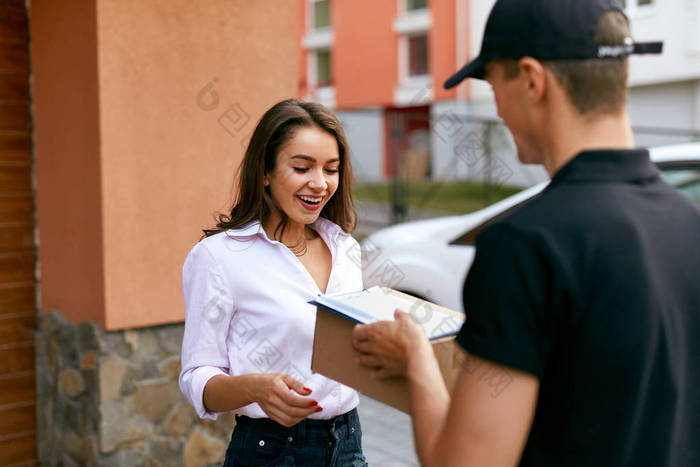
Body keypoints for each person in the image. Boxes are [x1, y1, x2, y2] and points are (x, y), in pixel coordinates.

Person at [353, 1, 700, 466]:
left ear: (532, 80)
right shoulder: (687, 219)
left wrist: (418, 360)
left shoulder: (523, 245)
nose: (496, 106)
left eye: (493, 83)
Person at [179, 99, 368, 466]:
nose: (320, 183)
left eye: (331, 169)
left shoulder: (345, 248)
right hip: (273, 451)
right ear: (264, 172)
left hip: (347, 444)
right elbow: (196, 376)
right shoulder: (219, 257)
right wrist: (256, 387)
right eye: (302, 167)